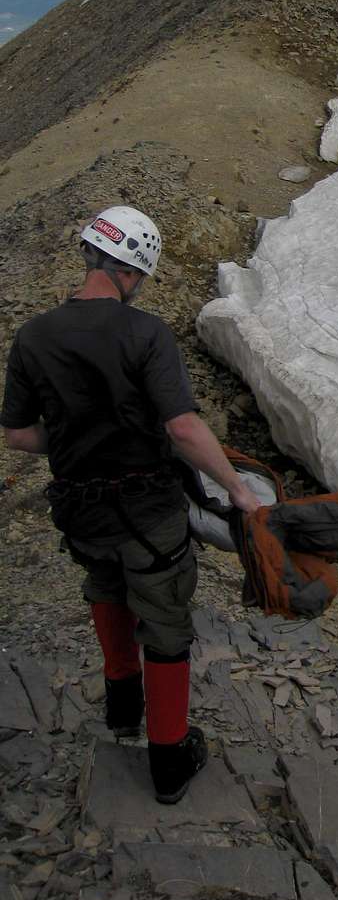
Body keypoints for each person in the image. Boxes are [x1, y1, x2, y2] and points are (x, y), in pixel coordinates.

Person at [1, 206, 262, 804]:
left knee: (105, 589)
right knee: (166, 625)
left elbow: (18, 436)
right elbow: (182, 429)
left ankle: (122, 711)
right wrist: (240, 491)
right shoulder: (145, 334)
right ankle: (169, 759)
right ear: (134, 271)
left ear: (90, 254)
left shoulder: (33, 336)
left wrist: (72, 438)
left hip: (80, 511)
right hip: (148, 511)